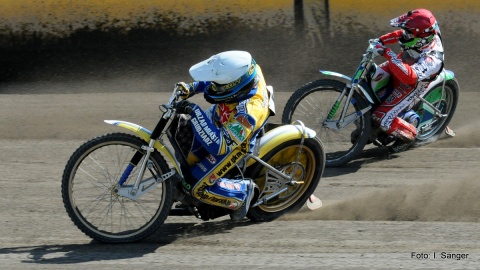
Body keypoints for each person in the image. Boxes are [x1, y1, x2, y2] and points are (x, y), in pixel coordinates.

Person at [173, 50, 275, 221]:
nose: (214, 87)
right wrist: (193, 87)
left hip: (235, 144)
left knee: (197, 187)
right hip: (225, 117)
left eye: (217, 86)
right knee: (185, 137)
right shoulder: (247, 67)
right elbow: (220, 81)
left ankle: (243, 194)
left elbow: (219, 146)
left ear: (235, 88)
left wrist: (195, 110)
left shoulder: (248, 113)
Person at [371, 8, 444, 150]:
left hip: (413, 84)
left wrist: (386, 52)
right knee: (372, 77)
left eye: (409, 33)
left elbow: (409, 77)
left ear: (421, 38)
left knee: (381, 118)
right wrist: (381, 40)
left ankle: (410, 134)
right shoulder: (423, 34)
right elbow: (401, 34)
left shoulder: (433, 59)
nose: (405, 35)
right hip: (404, 61)